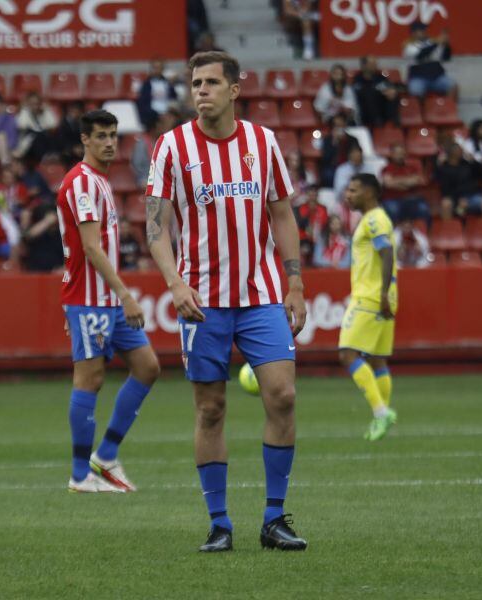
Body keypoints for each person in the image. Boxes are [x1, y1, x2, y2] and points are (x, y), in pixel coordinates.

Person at [145, 51, 308, 553]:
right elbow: (156, 224)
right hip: (202, 301)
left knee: (282, 395)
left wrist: (295, 282)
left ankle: (275, 519)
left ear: (235, 89)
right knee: (210, 409)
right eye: (196, 83)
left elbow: (281, 214)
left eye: (212, 82)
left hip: (260, 294)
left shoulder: (263, 143)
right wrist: (174, 282)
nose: (201, 91)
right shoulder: (171, 147)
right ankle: (219, 523)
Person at [56, 109, 160, 494]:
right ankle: (80, 475)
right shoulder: (82, 183)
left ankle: (106, 457)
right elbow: (90, 249)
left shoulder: (100, 181)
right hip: (90, 298)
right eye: (100, 135)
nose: (109, 142)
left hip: (103, 301)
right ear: (84, 140)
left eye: (113, 135)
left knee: (147, 367)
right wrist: (126, 294)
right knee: (90, 380)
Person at [337, 174, 398, 441]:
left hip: (371, 297)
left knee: (348, 354)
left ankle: (381, 413)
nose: (348, 195)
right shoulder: (375, 218)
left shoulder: (373, 219)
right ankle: (380, 417)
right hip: (382, 295)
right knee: (377, 359)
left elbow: (387, 254)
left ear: (370, 193)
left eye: (353, 190)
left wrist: (382, 293)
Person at [403, 21, 455, 98]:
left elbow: (446, 57)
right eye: (421, 30)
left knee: (452, 85)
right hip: (418, 77)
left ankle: (449, 108)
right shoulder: (409, 45)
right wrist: (437, 43)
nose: (424, 31)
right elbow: (421, 55)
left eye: (424, 29)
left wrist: (446, 44)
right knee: (415, 90)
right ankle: (420, 109)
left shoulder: (431, 42)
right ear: (413, 32)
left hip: (436, 77)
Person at [381, 143, 429, 225]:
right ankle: (395, 235)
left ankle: (422, 235)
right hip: (393, 199)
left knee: (423, 209)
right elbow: (388, 184)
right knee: (393, 210)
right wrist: (407, 181)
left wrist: (396, 181)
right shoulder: (387, 168)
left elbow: (419, 180)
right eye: (398, 153)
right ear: (392, 155)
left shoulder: (411, 168)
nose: (400, 156)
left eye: (402, 153)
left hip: (411, 198)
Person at [435, 143, 482, 220]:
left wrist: (473, 161)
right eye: (459, 150)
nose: (462, 152)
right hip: (454, 198)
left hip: (471, 196)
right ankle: (448, 230)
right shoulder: (444, 169)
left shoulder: (467, 164)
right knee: (446, 204)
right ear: (452, 153)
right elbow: (445, 190)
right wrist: (458, 200)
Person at [353, 55, 400, 128]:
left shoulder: (380, 78)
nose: (374, 66)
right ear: (363, 65)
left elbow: (388, 88)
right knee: (369, 95)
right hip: (363, 110)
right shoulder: (357, 79)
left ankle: (393, 123)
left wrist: (390, 92)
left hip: (380, 110)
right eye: (371, 64)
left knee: (393, 95)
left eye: (375, 64)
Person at [14, 92, 58, 163]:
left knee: (50, 136)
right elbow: (21, 125)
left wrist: (46, 110)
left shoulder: (44, 112)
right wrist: (24, 110)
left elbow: (53, 124)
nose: (35, 106)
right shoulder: (25, 113)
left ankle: (51, 155)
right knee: (37, 136)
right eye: (32, 104)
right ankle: (45, 157)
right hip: (28, 146)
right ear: (28, 104)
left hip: (44, 141)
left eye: (37, 104)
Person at [318, 113, 360, 188]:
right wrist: (334, 143)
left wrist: (344, 141)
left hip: (349, 167)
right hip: (333, 167)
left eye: (341, 125)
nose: (339, 128)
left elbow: (356, 155)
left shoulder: (352, 139)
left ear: (345, 125)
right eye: (336, 126)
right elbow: (325, 159)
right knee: (327, 174)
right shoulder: (327, 140)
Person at [137, 59, 177, 130]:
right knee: (166, 121)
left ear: (162, 69)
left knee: (172, 119)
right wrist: (157, 114)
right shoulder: (146, 84)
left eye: (159, 68)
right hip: (152, 113)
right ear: (151, 69)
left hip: (167, 111)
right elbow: (143, 104)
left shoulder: (167, 83)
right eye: (155, 68)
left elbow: (174, 98)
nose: (157, 70)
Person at [295, 185, 328, 263]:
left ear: (317, 196)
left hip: (319, 239)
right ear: (307, 196)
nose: (312, 198)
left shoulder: (323, 209)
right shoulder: (300, 208)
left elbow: (324, 225)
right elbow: (300, 224)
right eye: (310, 195)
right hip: (303, 239)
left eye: (314, 195)